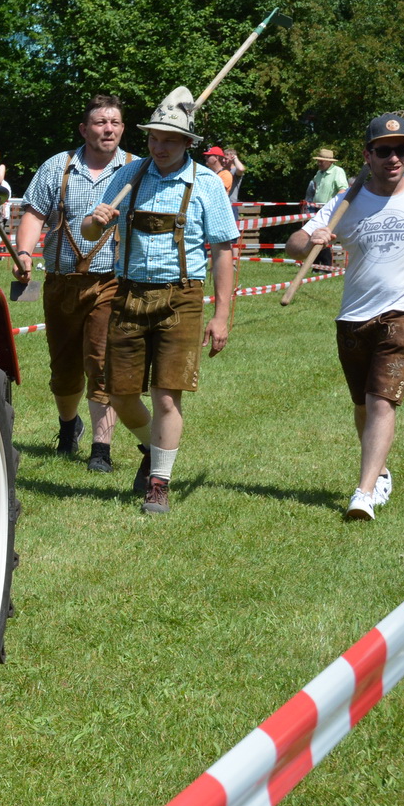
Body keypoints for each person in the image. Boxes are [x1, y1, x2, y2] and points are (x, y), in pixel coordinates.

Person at [286, 113, 404, 520]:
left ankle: (362, 494)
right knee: (363, 402)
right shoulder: (347, 200)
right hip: (354, 315)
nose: (394, 157)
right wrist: (312, 237)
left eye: (402, 149)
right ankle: (378, 471)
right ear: (368, 154)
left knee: (382, 400)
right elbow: (294, 245)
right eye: (385, 150)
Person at [81, 87, 238, 515]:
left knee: (167, 396)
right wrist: (93, 222)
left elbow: (224, 250)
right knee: (119, 394)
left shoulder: (206, 184)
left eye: (169, 140)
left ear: (188, 144)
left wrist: (222, 314)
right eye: (153, 138)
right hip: (129, 293)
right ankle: (155, 448)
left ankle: (158, 484)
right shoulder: (128, 176)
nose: (159, 147)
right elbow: (90, 234)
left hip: (181, 298)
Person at [13, 93, 137, 472]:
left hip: (111, 282)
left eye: (115, 122)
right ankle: (69, 427)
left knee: (101, 363)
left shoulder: (136, 169)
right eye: (101, 122)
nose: (109, 129)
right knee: (63, 368)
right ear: (85, 129)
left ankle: (101, 450)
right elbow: (34, 214)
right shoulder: (58, 167)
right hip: (61, 283)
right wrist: (22, 253)